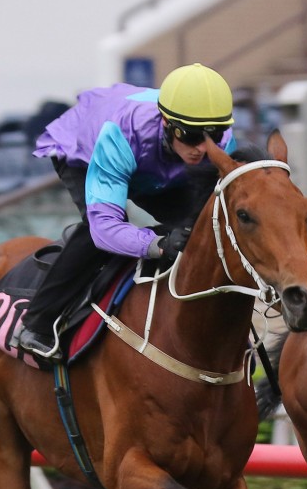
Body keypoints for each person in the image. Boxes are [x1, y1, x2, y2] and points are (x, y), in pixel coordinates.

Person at [16, 63, 238, 359]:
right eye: (191, 135)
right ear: (167, 122)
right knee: (96, 235)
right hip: (88, 150)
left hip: (156, 160)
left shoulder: (223, 140)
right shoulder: (119, 134)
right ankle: (37, 324)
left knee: (200, 228)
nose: (202, 148)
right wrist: (158, 245)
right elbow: (105, 229)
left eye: (212, 135)